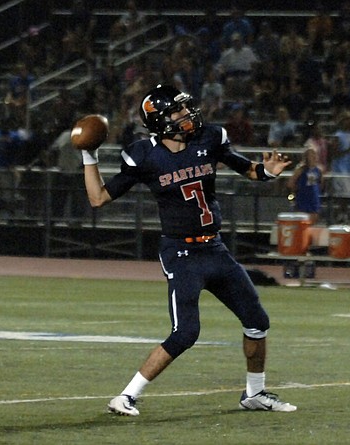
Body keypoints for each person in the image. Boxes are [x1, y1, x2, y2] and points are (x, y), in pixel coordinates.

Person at [80, 84, 296, 416]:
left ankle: (254, 393)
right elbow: (98, 198)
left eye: (185, 107)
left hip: (215, 248)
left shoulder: (209, 138)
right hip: (181, 253)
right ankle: (125, 396)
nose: (187, 114)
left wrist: (267, 172)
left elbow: (247, 168)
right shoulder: (144, 155)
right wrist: (88, 155)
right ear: (159, 121)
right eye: (177, 111)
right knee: (186, 332)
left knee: (257, 321)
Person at [287, 147, 323, 224]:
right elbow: (291, 183)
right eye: (311, 155)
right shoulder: (301, 169)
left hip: (314, 197)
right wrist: (297, 190)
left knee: (314, 217)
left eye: (314, 155)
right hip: (303, 196)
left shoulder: (318, 170)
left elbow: (320, 183)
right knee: (302, 220)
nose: (313, 157)